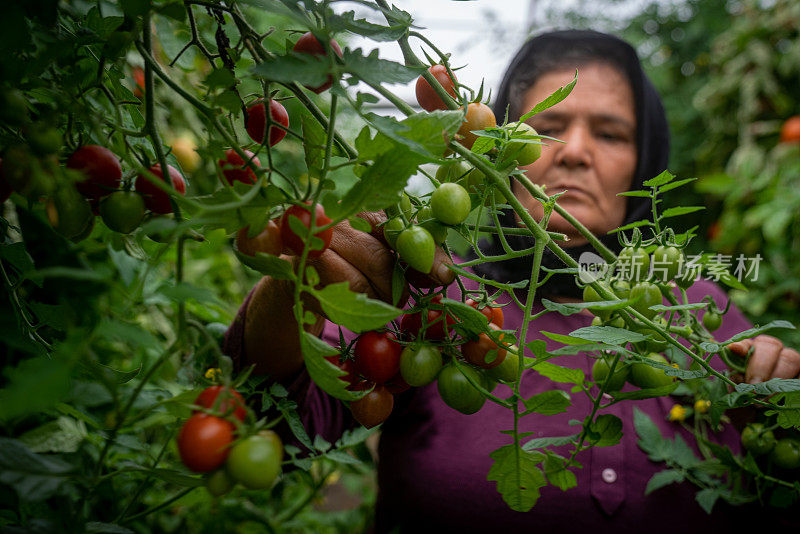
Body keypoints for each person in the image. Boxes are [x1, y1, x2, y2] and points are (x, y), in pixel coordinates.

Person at [223, 30, 800, 532]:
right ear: (495, 149)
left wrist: (770, 403)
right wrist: (295, 284)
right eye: (547, 127)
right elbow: (280, 425)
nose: (574, 153)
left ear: (644, 160)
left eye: (611, 134)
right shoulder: (431, 293)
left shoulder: (693, 309)